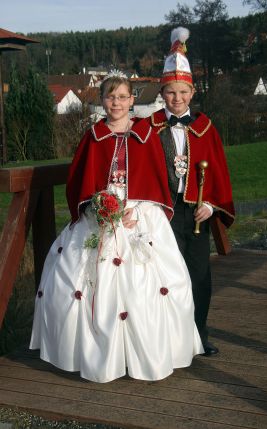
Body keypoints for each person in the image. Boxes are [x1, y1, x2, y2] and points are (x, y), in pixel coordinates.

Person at [30, 71, 203, 383]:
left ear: (132, 100)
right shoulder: (92, 136)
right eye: (111, 97)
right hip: (100, 214)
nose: (117, 103)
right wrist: (98, 207)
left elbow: (155, 181)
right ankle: (93, 354)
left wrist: (136, 208)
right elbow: (79, 181)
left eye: (123, 97)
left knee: (150, 283)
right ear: (103, 100)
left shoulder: (145, 136)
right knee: (77, 280)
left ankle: (148, 352)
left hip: (138, 213)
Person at [147, 27, 235, 356]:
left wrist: (211, 205)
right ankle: (167, 338)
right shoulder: (150, 127)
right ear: (162, 92)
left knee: (198, 274)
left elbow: (219, 174)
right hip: (163, 213)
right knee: (164, 275)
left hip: (195, 212)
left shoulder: (205, 128)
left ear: (192, 91)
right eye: (170, 92)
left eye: (182, 91)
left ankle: (199, 335)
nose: (177, 98)